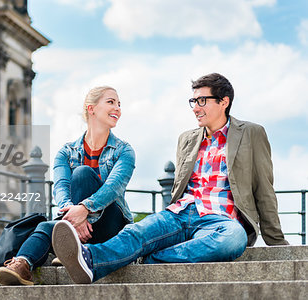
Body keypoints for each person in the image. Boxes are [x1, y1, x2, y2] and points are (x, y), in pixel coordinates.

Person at [52, 73, 289, 284]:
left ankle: (150, 258)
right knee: (137, 232)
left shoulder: (251, 133)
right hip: (180, 212)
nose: (195, 107)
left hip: (220, 220)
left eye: (202, 101)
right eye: (193, 101)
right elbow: (179, 186)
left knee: (233, 239)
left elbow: (264, 188)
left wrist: (276, 243)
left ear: (223, 102)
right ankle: (90, 259)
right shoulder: (187, 138)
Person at [0, 86, 136, 285]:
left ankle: (72, 243)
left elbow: (113, 187)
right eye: (111, 102)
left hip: (111, 224)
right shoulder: (66, 152)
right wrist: (73, 214)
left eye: (119, 104)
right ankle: (21, 265)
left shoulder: (124, 151)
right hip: (74, 224)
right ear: (91, 109)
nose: (118, 108)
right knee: (45, 225)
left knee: (82, 173)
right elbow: (60, 187)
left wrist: (84, 210)